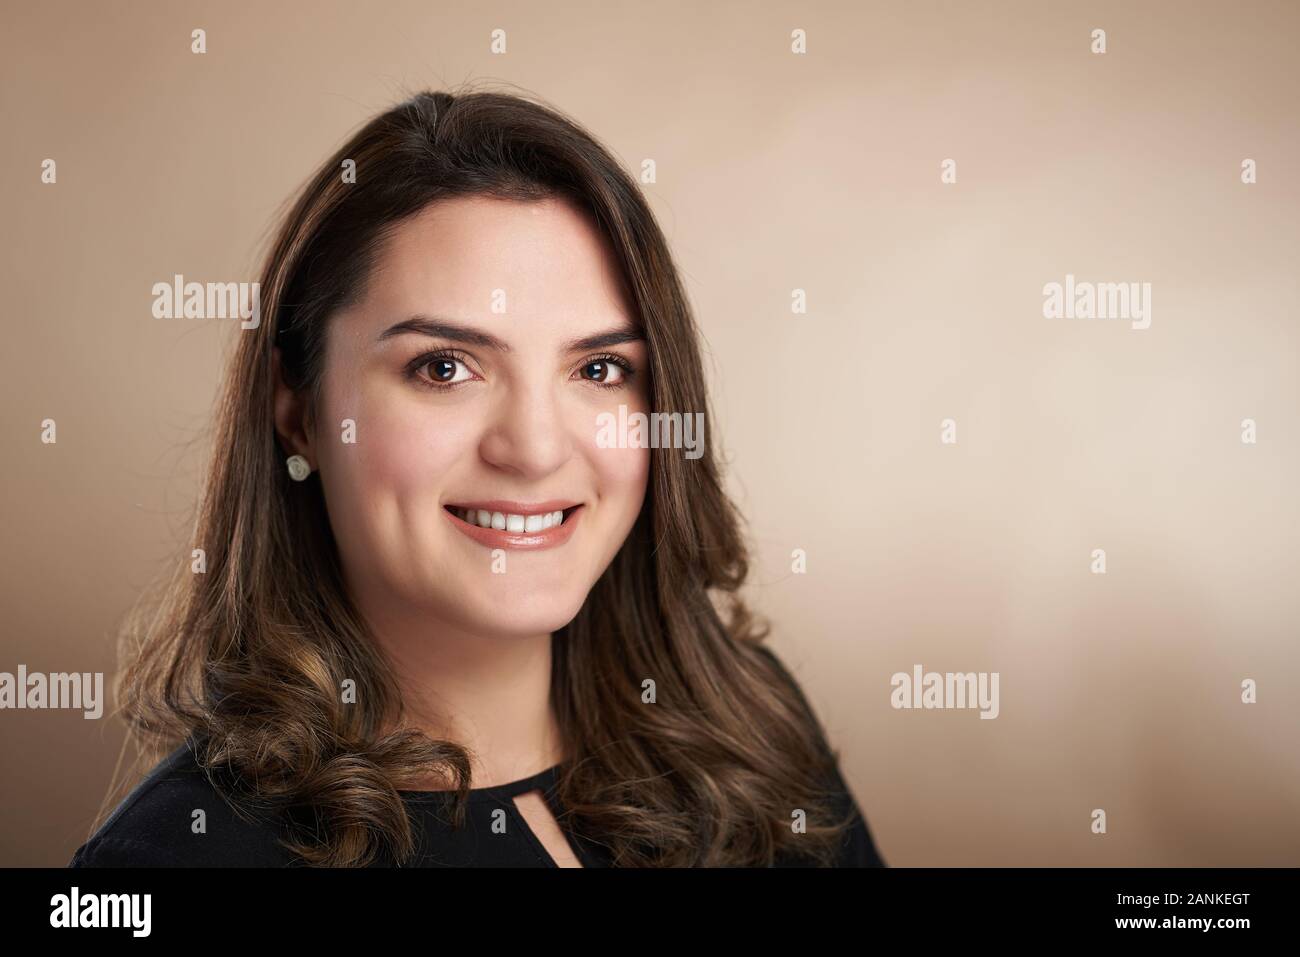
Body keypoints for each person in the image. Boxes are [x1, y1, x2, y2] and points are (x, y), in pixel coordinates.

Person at [69, 87, 885, 868]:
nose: (533, 449)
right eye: (445, 366)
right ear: (298, 409)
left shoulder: (749, 729)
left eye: (600, 368)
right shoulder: (178, 857)